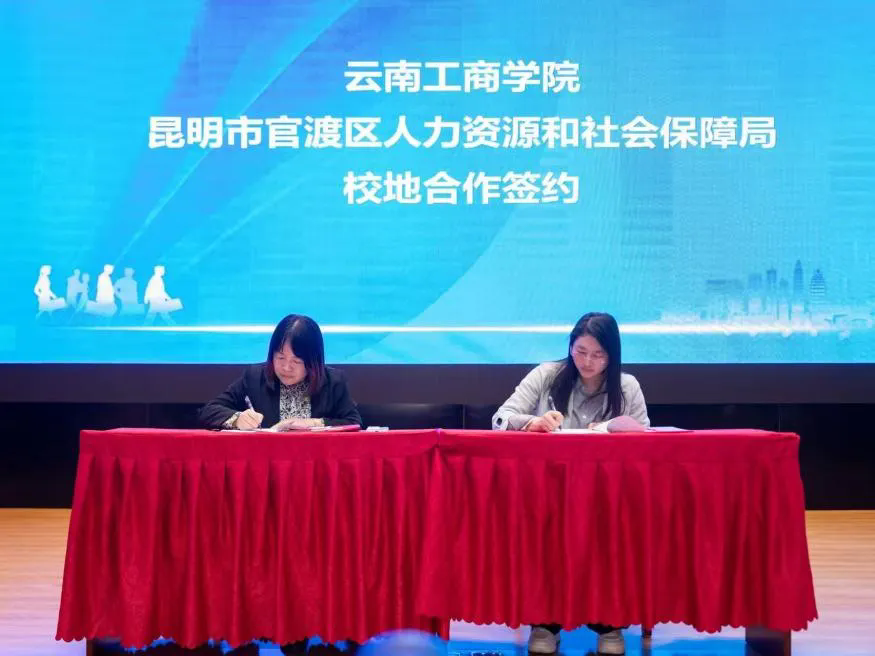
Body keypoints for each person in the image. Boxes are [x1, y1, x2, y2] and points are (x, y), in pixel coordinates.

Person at [492, 312, 649, 656]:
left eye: (598, 355)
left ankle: (609, 623)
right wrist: (532, 422)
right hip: (549, 491)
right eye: (580, 351)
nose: (587, 362)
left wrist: (612, 430)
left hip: (606, 495)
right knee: (543, 543)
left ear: (612, 355)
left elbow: (644, 439)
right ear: (570, 347)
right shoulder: (547, 375)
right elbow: (500, 417)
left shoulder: (627, 386)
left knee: (611, 543)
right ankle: (544, 622)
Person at [198, 314, 362, 431]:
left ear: (313, 362)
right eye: (280, 357)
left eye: (296, 361)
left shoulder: (333, 382)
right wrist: (237, 419)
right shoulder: (255, 377)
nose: (286, 367)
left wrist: (313, 423)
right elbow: (209, 410)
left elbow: (353, 422)